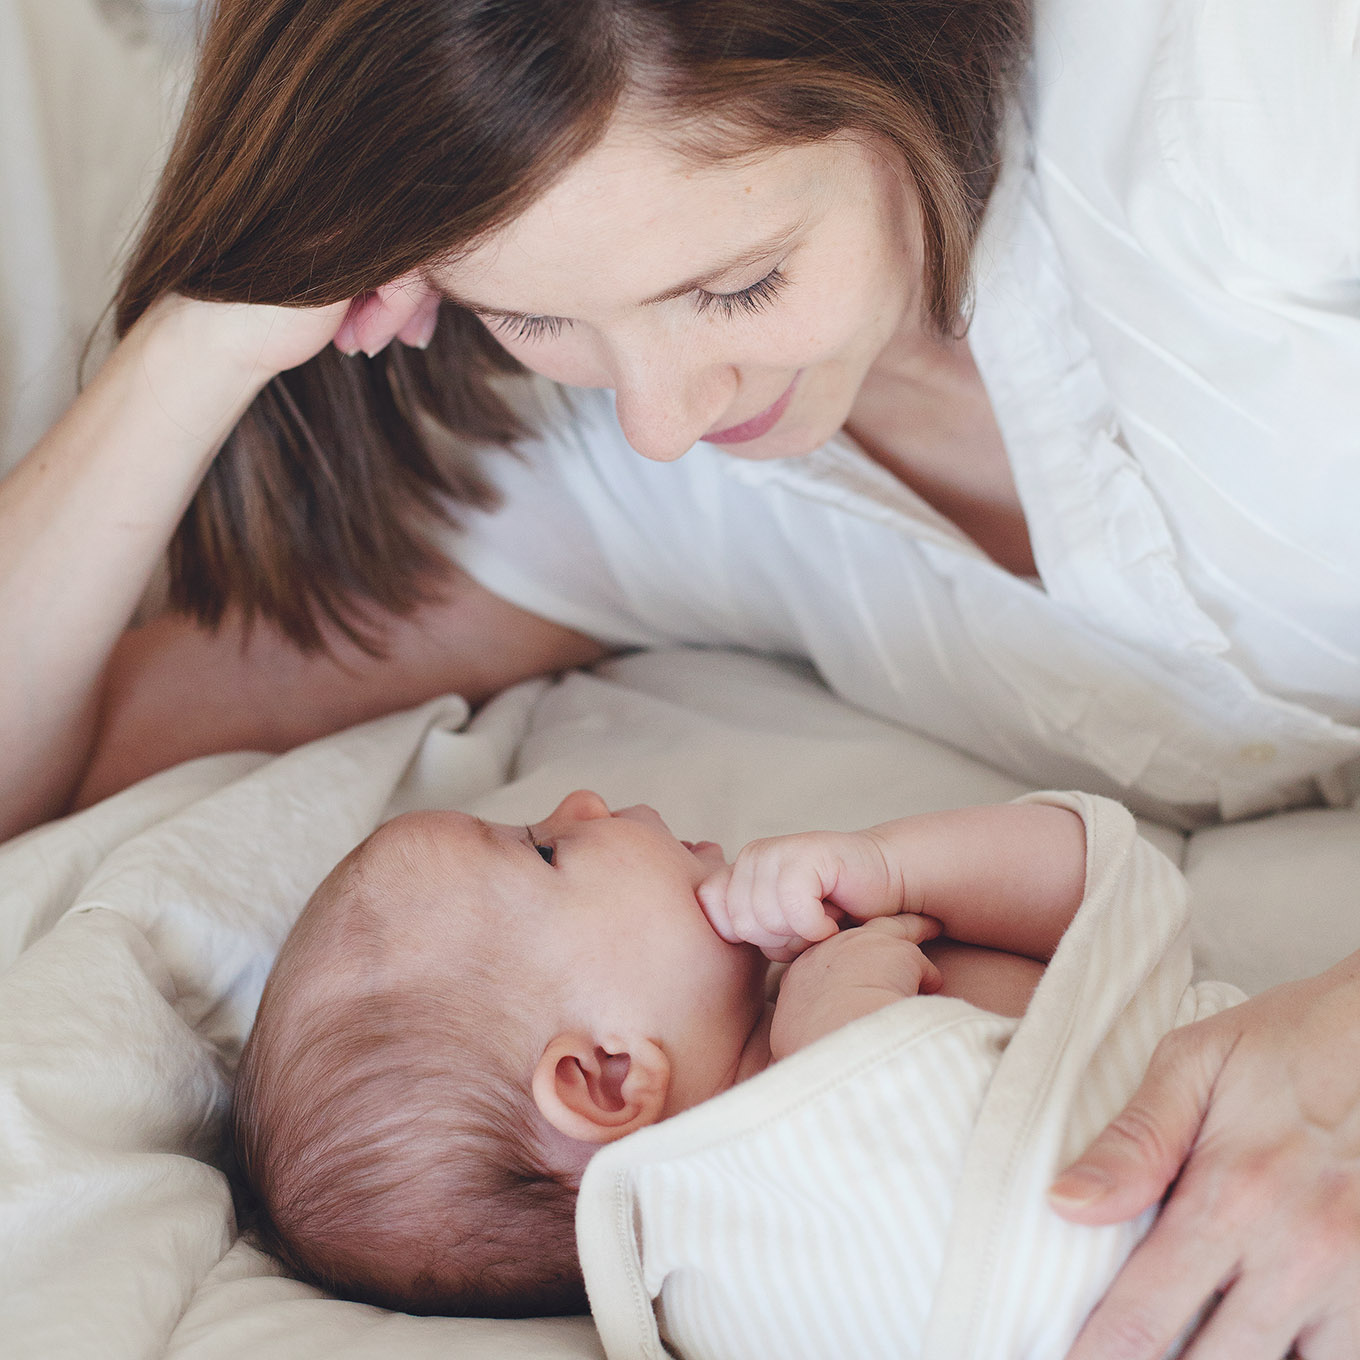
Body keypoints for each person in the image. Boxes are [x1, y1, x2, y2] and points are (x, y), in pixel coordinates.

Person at [1, 2, 1357, 1354]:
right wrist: (201, 339)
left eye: (738, 284)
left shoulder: (1244, 105)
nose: (662, 419)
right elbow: (41, 769)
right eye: (533, 315)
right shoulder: (606, 477)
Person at [231, 787, 1239, 1358]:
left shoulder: (811, 987)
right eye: (544, 848)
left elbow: (1105, 896)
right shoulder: (755, 1248)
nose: (586, 799)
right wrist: (852, 1019)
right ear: (605, 1078)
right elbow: (1102, 875)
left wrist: (892, 867)